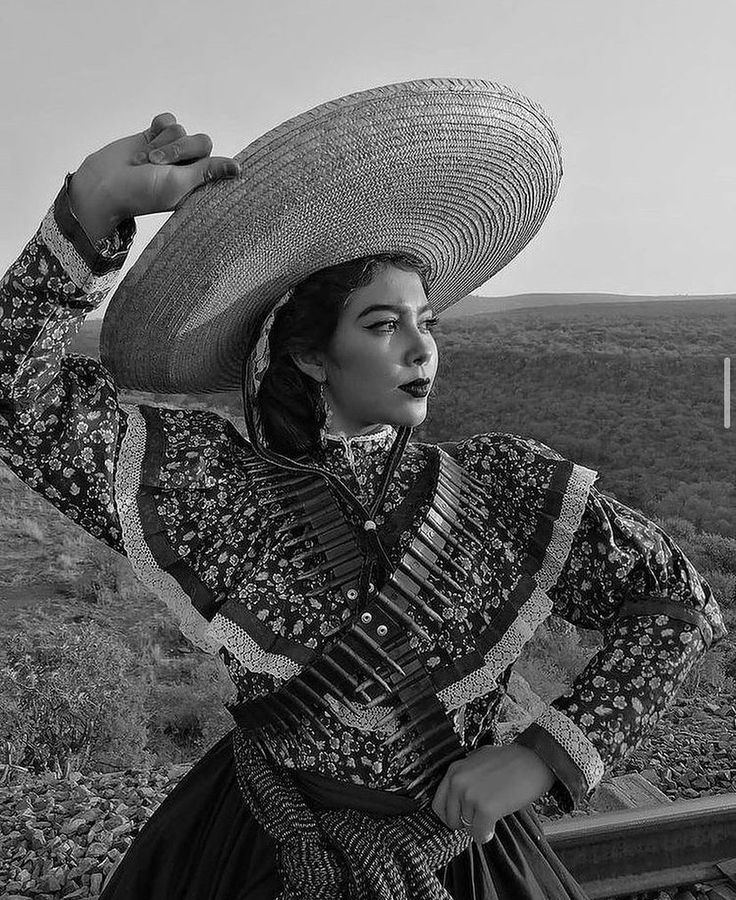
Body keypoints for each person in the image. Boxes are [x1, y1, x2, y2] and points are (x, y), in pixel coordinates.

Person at [0, 80, 727, 900]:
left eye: (429, 323)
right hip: (265, 841)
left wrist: (542, 757)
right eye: (384, 326)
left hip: (457, 853)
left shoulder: (501, 482)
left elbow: (679, 606)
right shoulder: (210, 484)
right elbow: (14, 392)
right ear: (310, 355)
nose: (422, 349)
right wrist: (96, 202)